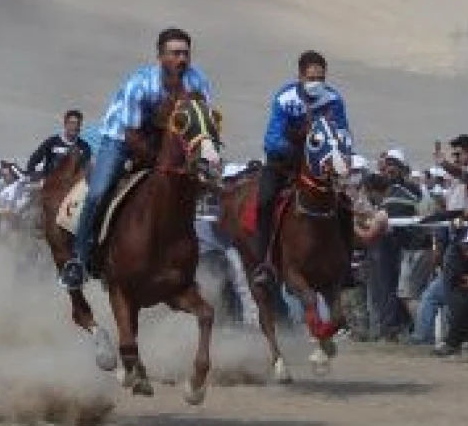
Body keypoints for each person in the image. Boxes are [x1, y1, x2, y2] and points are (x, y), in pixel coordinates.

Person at [61, 27, 214, 289]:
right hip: (121, 139)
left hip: (166, 140)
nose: (182, 59)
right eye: (175, 53)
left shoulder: (197, 81)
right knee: (98, 192)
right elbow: (132, 134)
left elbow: (202, 122)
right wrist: (156, 159)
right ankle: (79, 258)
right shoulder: (140, 83)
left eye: (186, 53)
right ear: (160, 56)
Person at [252, 51, 355, 286]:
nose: (316, 84)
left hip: (319, 167)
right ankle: (263, 264)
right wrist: (298, 147)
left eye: (321, 78)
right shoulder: (285, 98)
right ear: (299, 76)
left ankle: (346, 266)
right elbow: (271, 139)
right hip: (283, 164)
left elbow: (344, 133)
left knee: (345, 206)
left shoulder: (334, 99)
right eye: (311, 78)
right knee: (265, 200)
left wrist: (344, 156)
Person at [25, 109, 92, 179]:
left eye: (78, 124)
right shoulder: (52, 142)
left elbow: (85, 169)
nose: (75, 126)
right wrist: (30, 174)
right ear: (65, 124)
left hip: (72, 185)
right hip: (49, 181)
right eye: (72, 123)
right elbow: (34, 159)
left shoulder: (84, 147)